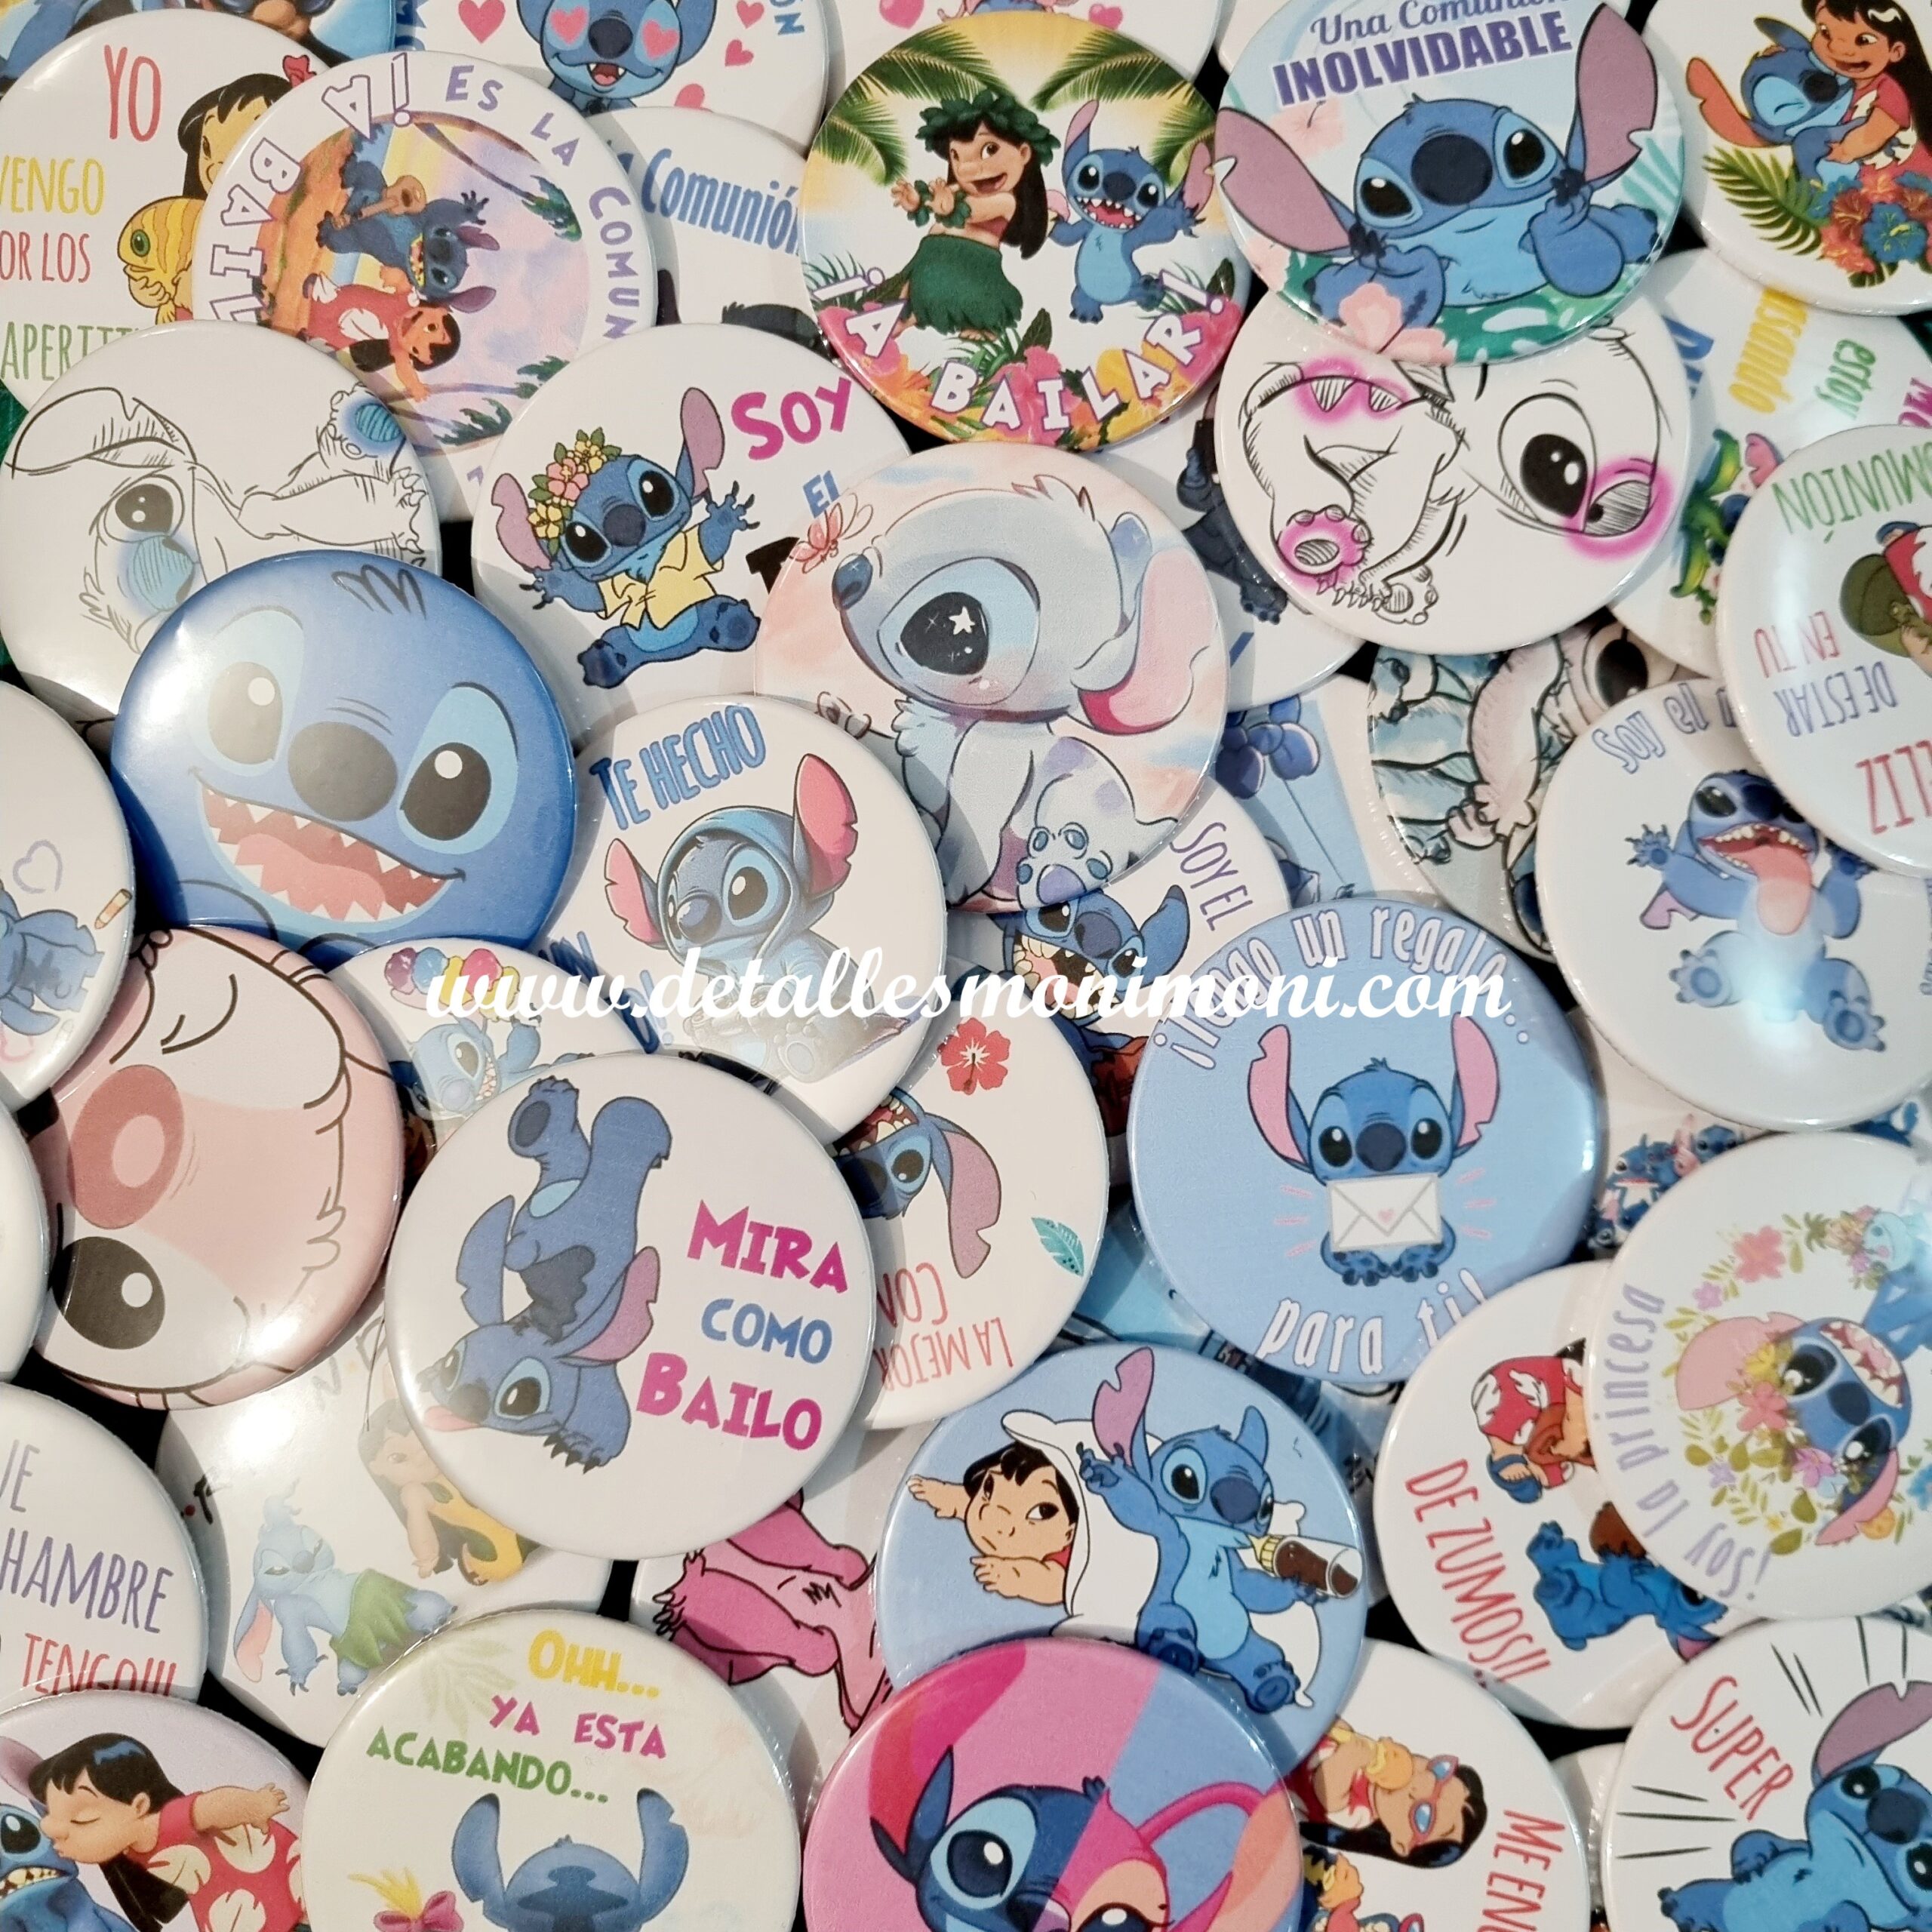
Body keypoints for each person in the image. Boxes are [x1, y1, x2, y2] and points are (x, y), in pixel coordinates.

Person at [29, 1734, 303, 1932]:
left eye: (82, 1820)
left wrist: (254, 1805)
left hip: (268, 1879)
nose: (57, 1832)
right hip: (229, 1898)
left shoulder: (167, 1823)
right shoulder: (129, 1848)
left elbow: (210, 1806)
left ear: (139, 1806)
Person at [883, 86, 1055, 337]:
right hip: (933, 251)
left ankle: (985, 328)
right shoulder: (957, 189)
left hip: (971, 261)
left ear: (1023, 153)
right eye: (956, 156)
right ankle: (903, 317)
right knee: (914, 283)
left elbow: (971, 212)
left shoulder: (1006, 201)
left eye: (989, 150)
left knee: (969, 297)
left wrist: (947, 206)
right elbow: (932, 199)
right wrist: (916, 200)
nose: (966, 169)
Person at [1294, 1720, 1488, 1869]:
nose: (1420, 1783)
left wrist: (1349, 1757)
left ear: (1400, 1843)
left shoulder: (1361, 1814)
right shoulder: (1368, 1757)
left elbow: (1327, 1792)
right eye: (1439, 1772)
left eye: (1424, 1815)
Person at [908, 1441, 1078, 1605]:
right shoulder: (983, 1509)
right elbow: (968, 1502)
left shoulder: (1075, 1554)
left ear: (1070, 1533)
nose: (997, 1521)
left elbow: (1058, 1582)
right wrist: (943, 1493)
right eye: (989, 1488)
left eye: (1041, 1512)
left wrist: (1015, 1575)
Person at [1808, 0, 1932, 177]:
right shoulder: (1834, 80)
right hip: (1860, 177)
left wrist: (1846, 151)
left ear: (1896, 51)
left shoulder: (1888, 88)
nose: (1836, 47)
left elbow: (1876, 132)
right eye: (1825, 32)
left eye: (1863, 40)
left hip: (1903, 179)